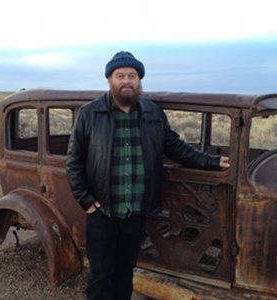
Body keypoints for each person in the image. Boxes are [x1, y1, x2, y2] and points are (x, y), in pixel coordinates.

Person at [66, 51, 230, 300]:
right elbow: (74, 161)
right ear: (109, 79)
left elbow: (176, 147)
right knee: (100, 273)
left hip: (136, 211)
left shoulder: (152, 113)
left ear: (139, 80)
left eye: (132, 75)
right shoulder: (89, 114)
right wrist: (86, 201)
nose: (126, 81)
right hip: (102, 211)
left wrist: (212, 161)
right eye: (120, 75)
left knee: (125, 271)